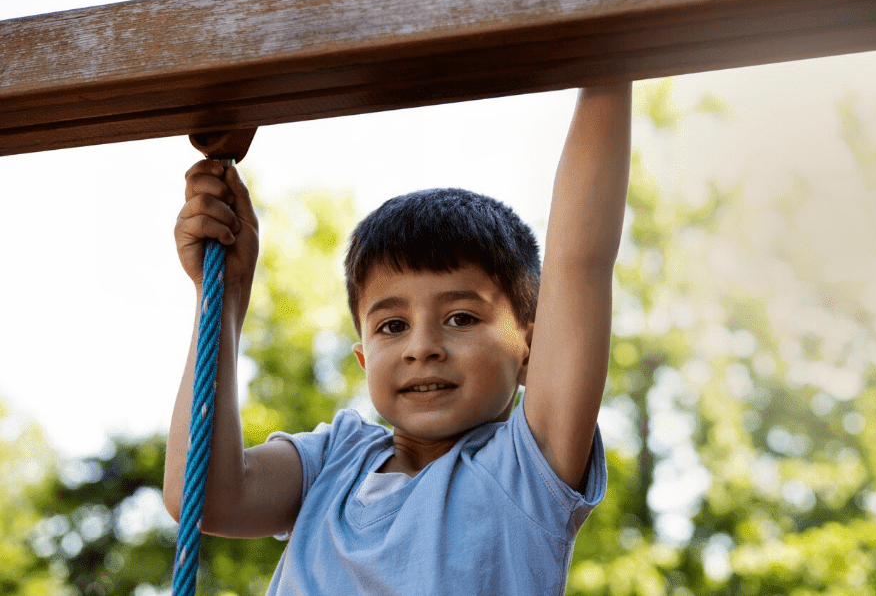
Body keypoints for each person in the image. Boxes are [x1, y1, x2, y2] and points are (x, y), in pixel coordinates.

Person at [164, 83, 632, 595]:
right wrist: (226, 293)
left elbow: (580, 260)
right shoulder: (333, 460)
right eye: (392, 325)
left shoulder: (526, 469)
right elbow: (203, 496)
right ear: (364, 359)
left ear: (532, 354)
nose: (421, 347)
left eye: (461, 318)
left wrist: (607, 70)